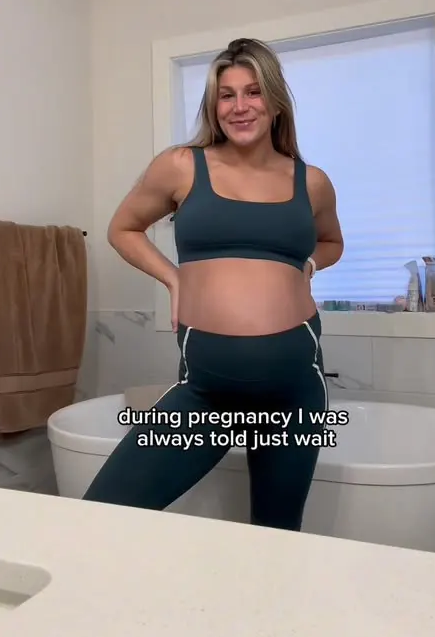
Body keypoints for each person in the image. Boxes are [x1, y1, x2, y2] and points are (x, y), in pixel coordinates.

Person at [83, 37, 344, 531]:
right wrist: (173, 278)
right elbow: (123, 228)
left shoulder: (311, 182)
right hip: (206, 393)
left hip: (294, 394)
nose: (240, 106)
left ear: (275, 101)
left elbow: (332, 242)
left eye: (253, 92)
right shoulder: (182, 165)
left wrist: (308, 265)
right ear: (213, 105)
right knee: (104, 513)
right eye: (227, 95)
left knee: (277, 536)